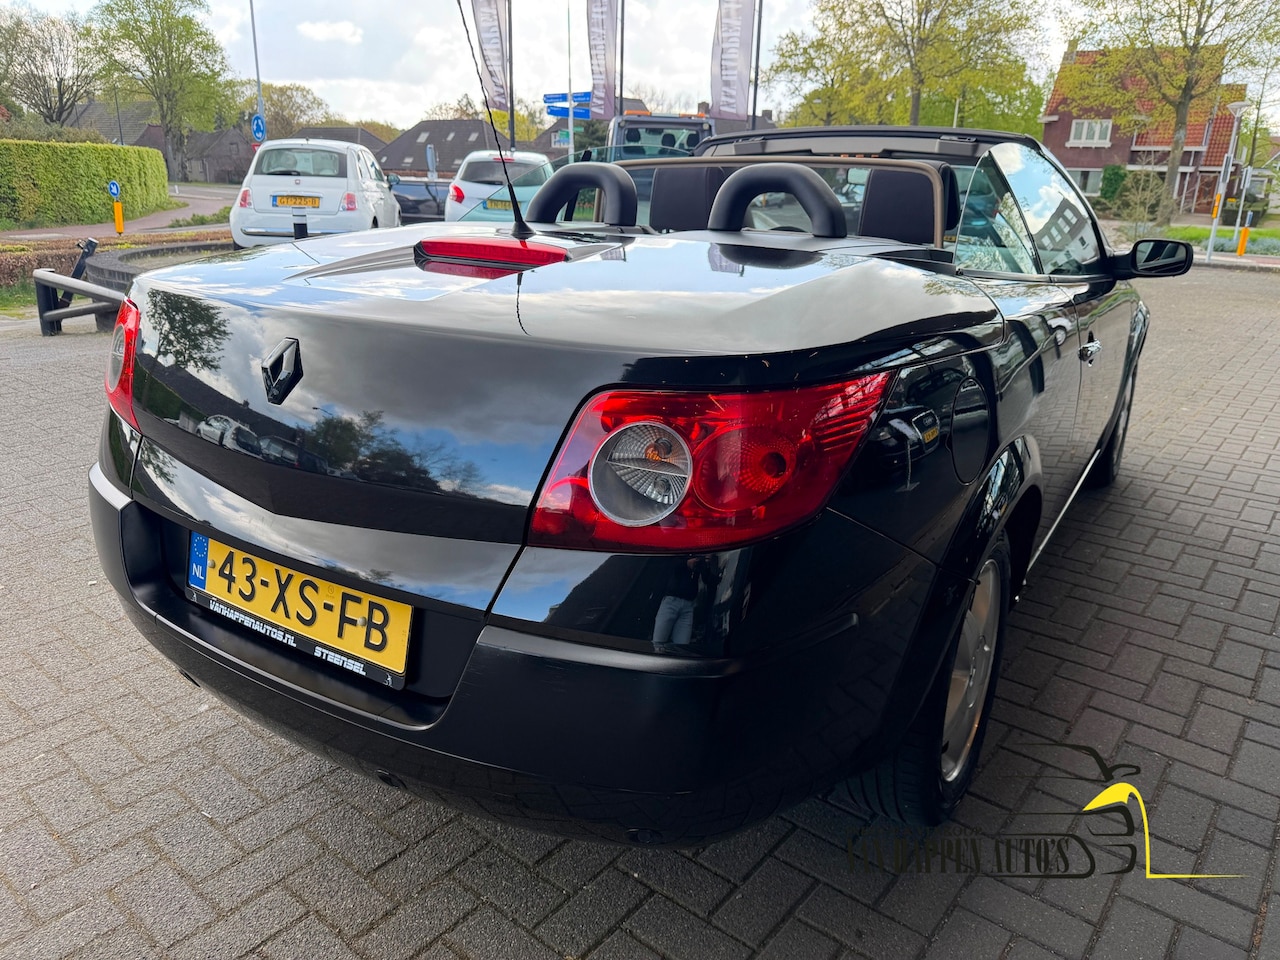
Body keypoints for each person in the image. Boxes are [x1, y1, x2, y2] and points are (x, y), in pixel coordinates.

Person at [652, 557, 713, 652]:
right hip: (672, 600)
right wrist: (686, 563)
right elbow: (669, 565)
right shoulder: (679, 557)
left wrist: (707, 563)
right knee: (658, 643)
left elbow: (707, 579)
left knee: (682, 648)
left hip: (688, 605)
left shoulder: (699, 560)